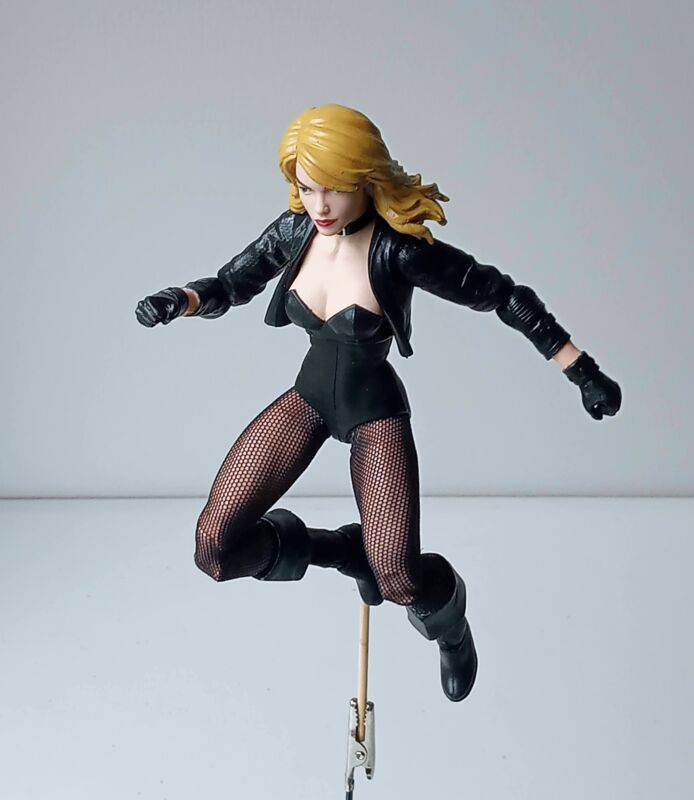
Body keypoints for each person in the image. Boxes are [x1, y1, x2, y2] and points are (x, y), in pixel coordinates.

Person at [135, 103, 622, 702]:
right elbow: (232, 283)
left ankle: (451, 624)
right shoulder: (294, 232)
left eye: (334, 188)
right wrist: (182, 300)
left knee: (397, 577)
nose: (319, 204)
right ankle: (342, 550)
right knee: (214, 548)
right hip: (309, 399)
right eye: (306, 187)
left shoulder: (400, 251)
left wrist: (582, 370)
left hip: (374, 411)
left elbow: (502, 294)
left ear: (366, 180)